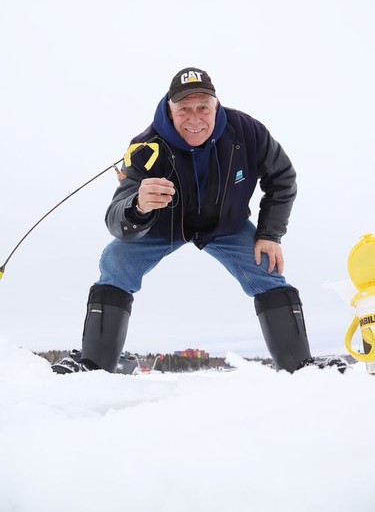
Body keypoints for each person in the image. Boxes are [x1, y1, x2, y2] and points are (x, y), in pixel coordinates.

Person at [52, 67, 346, 375]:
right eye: (184, 110)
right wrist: (138, 206)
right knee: (114, 260)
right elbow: (116, 219)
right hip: (163, 226)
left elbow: (282, 178)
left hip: (225, 226)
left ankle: (302, 369)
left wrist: (270, 234)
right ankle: (93, 367)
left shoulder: (247, 132)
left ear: (216, 105)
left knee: (267, 270)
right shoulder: (145, 147)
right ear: (170, 108)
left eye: (203, 107)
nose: (195, 119)